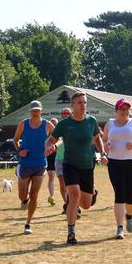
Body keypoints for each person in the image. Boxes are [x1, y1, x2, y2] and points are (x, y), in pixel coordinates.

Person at [45, 91, 108, 245]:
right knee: (73, 196)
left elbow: (97, 138)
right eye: (79, 102)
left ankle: (93, 192)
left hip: (87, 165)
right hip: (70, 165)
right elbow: (50, 140)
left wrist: (103, 153)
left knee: (86, 204)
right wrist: (49, 147)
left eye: (85, 102)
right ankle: (71, 232)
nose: (83, 105)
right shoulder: (64, 124)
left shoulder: (91, 121)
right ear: (72, 106)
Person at [103, 99, 132, 240]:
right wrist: (106, 146)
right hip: (115, 163)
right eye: (122, 108)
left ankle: (129, 216)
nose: (125, 111)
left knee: (130, 195)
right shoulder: (109, 124)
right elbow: (104, 140)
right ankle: (119, 228)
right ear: (116, 110)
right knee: (119, 193)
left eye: (127, 108)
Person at [13, 101, 55, 234]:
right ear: (30, 111)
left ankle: (28, 223)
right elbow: (15, 140)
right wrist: (19, 150)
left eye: (37, 110)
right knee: (22, 195)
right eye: (33, 110)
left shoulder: (47, 125)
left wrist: (54, 146)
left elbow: (58, 138)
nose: (35, 112)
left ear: (41, 111)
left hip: (40, 164)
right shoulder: (23, 124)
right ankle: (24, 200)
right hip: (25, 163)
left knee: (34, 195)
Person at [55, 108, 72, 215]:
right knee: (62, 183)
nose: (66, 115)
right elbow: (55, 139)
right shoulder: (59, 126)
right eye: (64, 113)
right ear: (61, 115)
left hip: (71, 159)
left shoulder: (74, 125)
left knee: (71, 184)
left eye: (68, 113)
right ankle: (67, 204)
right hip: (59, 159)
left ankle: (72, 204)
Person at [46, 118, 59, 206]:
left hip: (59, 158)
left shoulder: (60, 135)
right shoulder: (46, 137)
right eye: (52, 124)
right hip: (49, 158)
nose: (53, 126)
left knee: (63, 179)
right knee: (51, 177)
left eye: (55, 125)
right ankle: (52, 196)